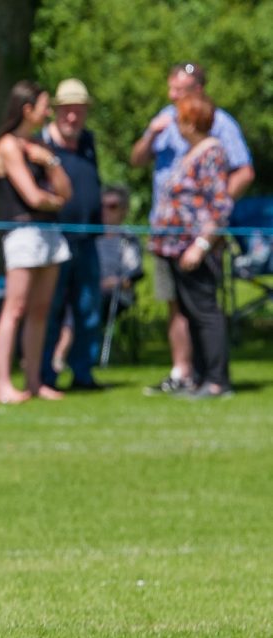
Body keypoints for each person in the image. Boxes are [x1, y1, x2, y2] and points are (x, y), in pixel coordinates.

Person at [129, 62, 255, 393]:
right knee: (182, 309)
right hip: (170, 241)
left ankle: (214, 379)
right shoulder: (165, 121)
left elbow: (222, 196)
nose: (172, 99)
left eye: (180, 92)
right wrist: (151, 133)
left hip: (195, 242)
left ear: (197, 94)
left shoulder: (217, 138)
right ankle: (189, 375)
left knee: (204, 311)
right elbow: (138, 160)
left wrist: (203, 239)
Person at [0, 80, 72, 404]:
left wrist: (49, 161)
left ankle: (34, 382)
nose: (49, 112)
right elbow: (33, 196)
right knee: (15, 308)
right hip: (23, 233)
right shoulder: (8, 145)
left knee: (40, 311)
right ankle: (3, 385)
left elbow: (67, 192)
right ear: (27, 109)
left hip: (49, 234)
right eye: (44, 106)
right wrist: (54, 200)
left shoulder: (41, 147)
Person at [148, 95, 234, 400]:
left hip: (195, 249)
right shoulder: (191, 152)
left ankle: (216, 381)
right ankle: (199, 378)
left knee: (206, 313)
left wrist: (200, 245)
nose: (176, 124)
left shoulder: (211, 153)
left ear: (191, 121)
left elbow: (220, 206)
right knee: (191, 313)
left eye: (180, 119)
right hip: (174, 248)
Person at [36, 79, 105, 392]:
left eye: (78, 111)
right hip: (54, 239)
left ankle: (83, 373)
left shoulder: (87, 142)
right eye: (67, 111)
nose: (73, 118)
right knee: (50, 310)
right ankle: (45, 375)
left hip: (88, 240)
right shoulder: (41, 145)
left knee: (88, 310)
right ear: (56, 111)